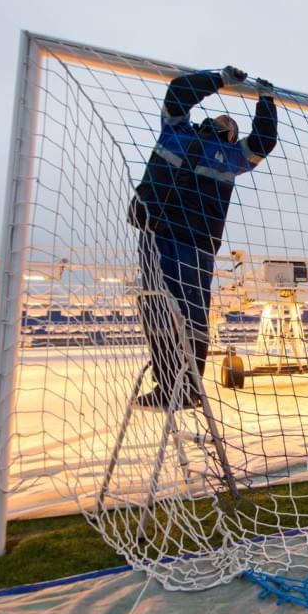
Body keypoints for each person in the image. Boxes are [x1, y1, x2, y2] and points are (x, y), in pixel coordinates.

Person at [128, 66, 277, 408]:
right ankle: (168, 385)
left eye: (232, 124)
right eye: (223, 116)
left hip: (195, 243)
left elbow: (263, 141)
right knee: (156, 307)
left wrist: (266, 101)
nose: (226, 120)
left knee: (191, 313)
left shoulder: (234, 157)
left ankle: (189, 387)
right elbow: (180, 90)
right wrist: (220, 79)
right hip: (155, 233)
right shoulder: (176, 131)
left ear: (231, 136)